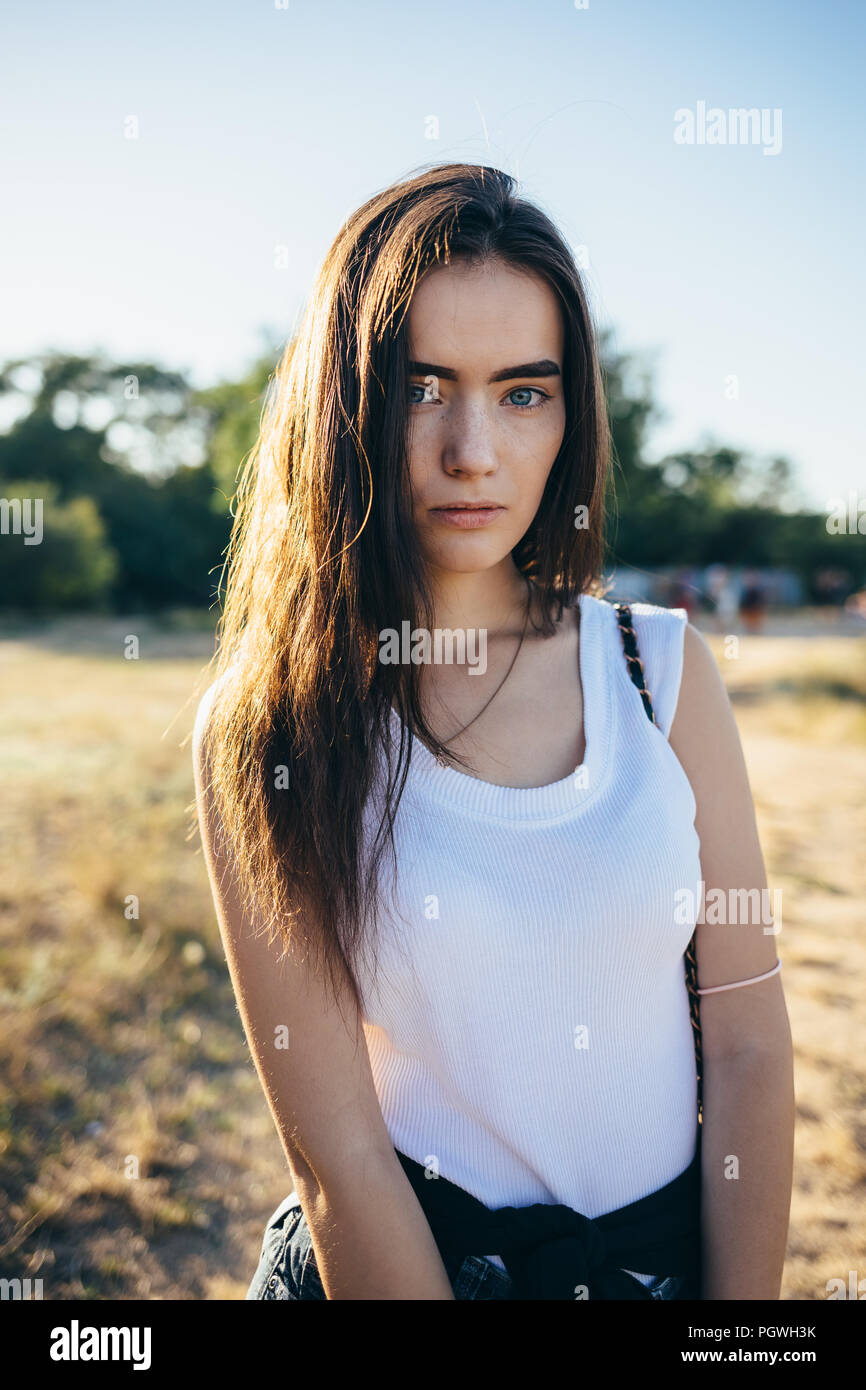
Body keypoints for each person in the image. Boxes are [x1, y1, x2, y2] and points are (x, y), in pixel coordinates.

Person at [191, 164, 794, 1301]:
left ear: (570, 414)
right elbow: (339, 1156)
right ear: (347, 401)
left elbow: (750, 1050)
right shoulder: (272, 726)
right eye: (424, 387)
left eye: (524, 391)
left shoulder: (658, 672)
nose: (474, 449)